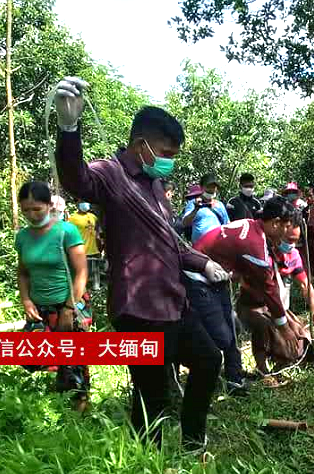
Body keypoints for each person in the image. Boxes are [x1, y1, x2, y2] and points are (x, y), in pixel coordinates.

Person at [54, 76, 227, 452]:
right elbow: (76, 180)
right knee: (152, 396)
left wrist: (203, 262)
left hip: (172, 301)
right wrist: (69, 128)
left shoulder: (155, 188)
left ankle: (193, 442)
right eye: (166, 152)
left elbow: (171, 241)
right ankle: (144, 459)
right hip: (138, 306)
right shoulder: (110, 174)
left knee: (209, 360)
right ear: (140, 145)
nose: (169, 162)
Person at [193, 197, 301, 373]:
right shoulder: (255, 247)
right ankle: (204, 374)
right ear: (275, 223)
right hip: (200, 279)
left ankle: (234, 379)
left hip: (214, 279)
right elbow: (269, 289)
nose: (286, 233)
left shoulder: (251, 225)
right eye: (286, 227)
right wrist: (284, 328)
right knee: (219, 337)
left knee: (231, 332)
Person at [15, 181, 90, 412]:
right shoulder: (23, 236)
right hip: (40, 307)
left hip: (69, 303)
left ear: (49, 205)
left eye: (36, 209)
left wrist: (70, 308)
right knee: (31, 356)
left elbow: (81, 271)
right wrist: (26, 300)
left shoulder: (65, 231)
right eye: (25, 209)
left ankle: (80, 410)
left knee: (72, 359)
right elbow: (23, 272)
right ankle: (60, 394)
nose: (31, 214)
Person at [237, 209, 314, 377]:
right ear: (278, 233)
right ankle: (263, 371)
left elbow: (305, 284)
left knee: (298, 331)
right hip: (251, 306)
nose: (291, 245)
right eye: (289, 240)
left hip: (276, 306)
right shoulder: (260, 252)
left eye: (295, 241)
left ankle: (289, 364)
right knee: (264, 327)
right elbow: (244, 281)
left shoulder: (294, 256)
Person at [181, 173, 230, 245]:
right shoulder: (193, 203)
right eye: (209, 186)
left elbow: (227, 225)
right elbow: (185, 223)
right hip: (199, 248)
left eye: (214, 187)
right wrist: (195, 209)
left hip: (217, 246)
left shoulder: (220, 205)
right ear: (201, 187)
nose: (211, 190)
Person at [68, 200, 102, 290]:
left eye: (86, 202)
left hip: (94, 251)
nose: (85, 204)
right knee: (81, 280)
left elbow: (98, 233)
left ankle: (95, 300)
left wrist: (100, 248)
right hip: (81, 253)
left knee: (95, 283)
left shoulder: (93, 217)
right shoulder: (72, 219)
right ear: (78, 204)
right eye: (83, 202)